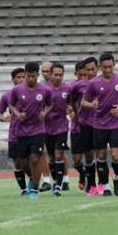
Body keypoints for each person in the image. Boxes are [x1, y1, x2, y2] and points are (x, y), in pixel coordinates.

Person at [81, 53, 118, 196]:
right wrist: (91, 104)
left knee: (116, 157)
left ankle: (116, 178)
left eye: (110, 67)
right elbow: (83, 102)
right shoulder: (94, 83)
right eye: (105, 67)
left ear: (114, 65)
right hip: (99, 124)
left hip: (116, 123)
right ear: (99, 67)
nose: (108, 70)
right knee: (101, 156)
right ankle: (106, 185)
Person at [9, 61, 53, 199]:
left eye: (33, 76)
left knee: (35, 159)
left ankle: (34, 189)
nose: (30, 79)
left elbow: (50, 104)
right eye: (28, 76)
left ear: (37, 75)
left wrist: (44, 113)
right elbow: (11, 105)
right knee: (23, 163)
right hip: (21, 131)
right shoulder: (17, 90)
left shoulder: (45, 90)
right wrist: (17, 114)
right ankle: (32, 179)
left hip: (38, 130)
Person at [70, 56, 99, 195]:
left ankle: (94, 183)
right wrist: (74, 113)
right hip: (78, 126)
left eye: (86, 72)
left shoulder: (100, 83)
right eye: (81, 73)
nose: (84, 76)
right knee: (76, 160)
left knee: (92, 154)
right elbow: (70, 101)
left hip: (96, 125)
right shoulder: (76, 86)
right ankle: (83, 173)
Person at [0, 68, 29, 195]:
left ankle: (33, 183)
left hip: (31, 132)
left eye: (23, 77)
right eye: (18, 77)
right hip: (14, 134)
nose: (21, 79)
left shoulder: (33, 92)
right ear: (12, 79)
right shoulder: (6, 95)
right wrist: (4, 118)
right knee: (17, 162)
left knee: (29, 161)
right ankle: (23, 189)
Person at [45, 63, 72, 195]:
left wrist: (71, 109)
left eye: (60, 75)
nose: (58, 77)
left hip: (61, 126)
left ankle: (58, 186)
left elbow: (71, 103)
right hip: (47, 128)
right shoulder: (44, 89)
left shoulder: (67, 89)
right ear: (50, 75)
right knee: (50, 157)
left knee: (58, 154)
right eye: (55, 74)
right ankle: (55, 181)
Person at [38, 60, 54, 190]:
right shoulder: (39, 86)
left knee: (56, 154)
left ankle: (63, 179)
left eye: (47, 71)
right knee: (42, 152)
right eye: (42, 71)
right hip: (42, 124)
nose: (44, 74)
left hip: (56, 124)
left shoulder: (59, 86)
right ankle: (47, 180)